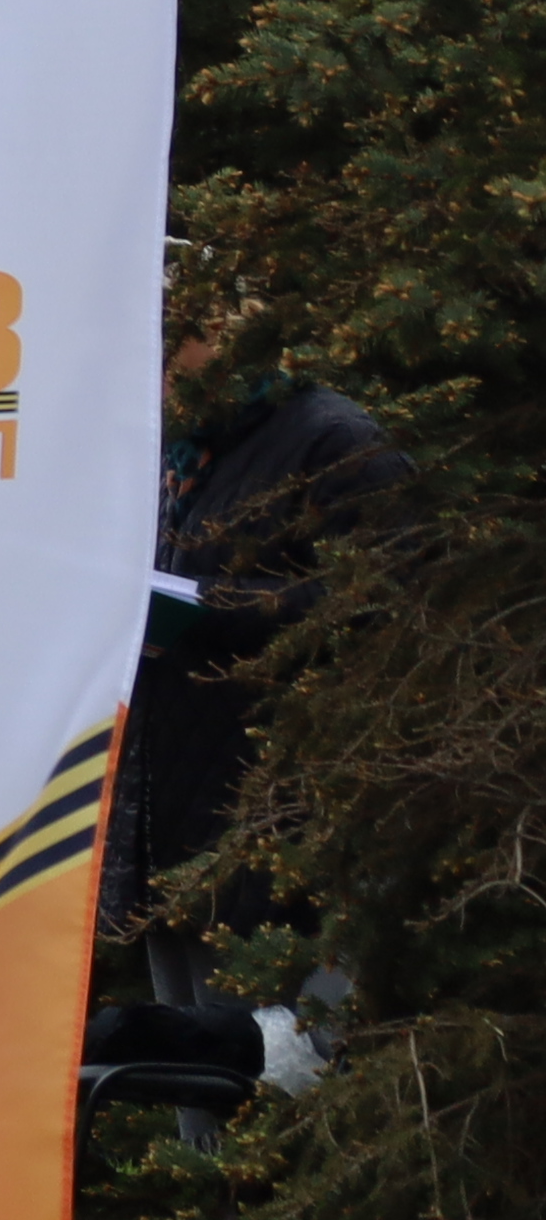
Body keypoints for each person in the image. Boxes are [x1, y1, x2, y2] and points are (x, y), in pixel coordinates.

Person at [124, 312, 401, 936]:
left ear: (228, 330)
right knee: (184, 996)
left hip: (282, 814)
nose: (150, 370)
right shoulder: (185, 452)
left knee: (274, 1001)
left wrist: (206, 605)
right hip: (172, 814)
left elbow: (382, 602)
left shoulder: (333, 440)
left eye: (167, 344)